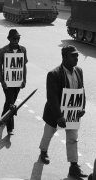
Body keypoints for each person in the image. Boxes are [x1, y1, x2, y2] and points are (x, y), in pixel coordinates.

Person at [38, 45, 87, 179]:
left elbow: (81, 91)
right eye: (73, 55)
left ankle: (74, 167)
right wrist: (59, 116)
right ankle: (43, 151)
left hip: (72, 114)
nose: (77, 58)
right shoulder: (54, 74)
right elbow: (52, 98)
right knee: (48, 134)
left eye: (77, 55)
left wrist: (82, 107)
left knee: (72, 138)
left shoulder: (79, 71)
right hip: (55, 113)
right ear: (64, 57)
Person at [0, 29, 27, 135]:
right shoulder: (3, 50)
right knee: (11, 103)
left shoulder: (23, 50)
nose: (16, 40)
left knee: (10, 102)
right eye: (14, 38)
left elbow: (23, 66)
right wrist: (2, 81)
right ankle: (10, 128)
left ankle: (2, 118)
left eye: (18, 38)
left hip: (17, 82)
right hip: (7, 82)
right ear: (9, 39)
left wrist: (24, 79)